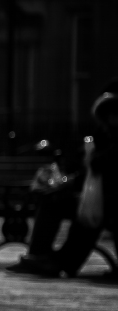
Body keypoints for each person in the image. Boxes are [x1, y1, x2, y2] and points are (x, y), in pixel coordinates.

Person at [7, 80, 118, 277]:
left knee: (87, 213)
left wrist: (76, 177)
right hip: (98, 195)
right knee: (54, 199)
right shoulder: (103, 133)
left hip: (109, 198)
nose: (110, 120)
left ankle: (63, 262)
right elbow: (83, 162)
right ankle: (38, 256)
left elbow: (100, 164)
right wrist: (67, 178)